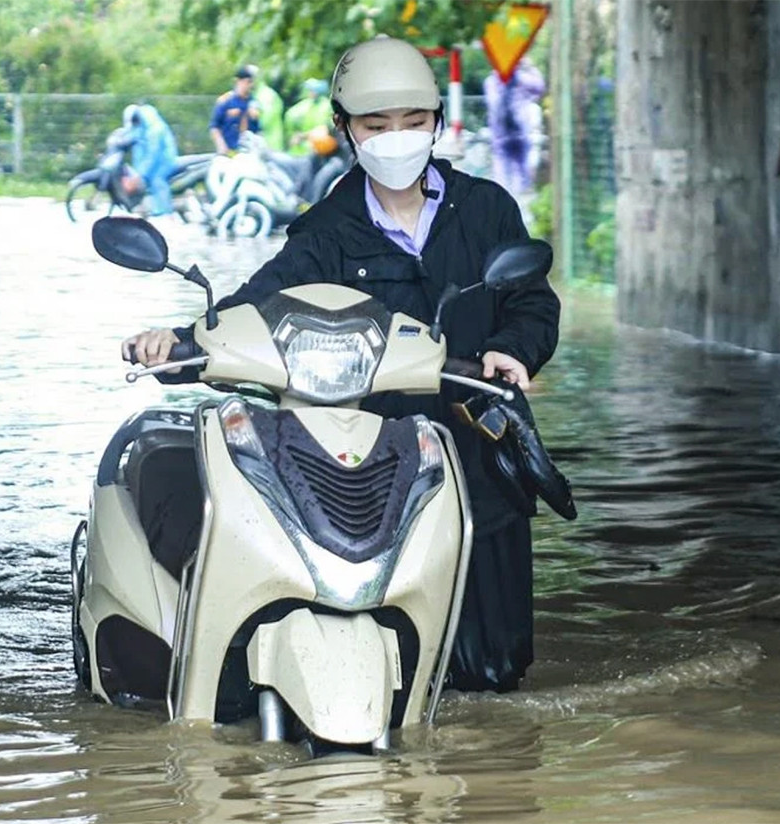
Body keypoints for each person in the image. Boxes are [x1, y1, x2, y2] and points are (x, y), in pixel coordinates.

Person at [123, 35, 561, 694]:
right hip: (372, 462)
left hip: (477, 448)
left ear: (437, 121)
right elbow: (256, 309)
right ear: (345, 129)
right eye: (376, 125)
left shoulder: (487, 209)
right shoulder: (324, 230)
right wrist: (181, 343)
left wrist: (512, 351)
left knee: (494, 676)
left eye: (414, 122)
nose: (397, 138)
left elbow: (532, 305)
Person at [484, 57, 547, 200]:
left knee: (501, 167)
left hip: (499, 132)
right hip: (519, 131)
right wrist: (529, 67)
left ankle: (502, 200)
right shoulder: (521, 79)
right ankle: (521, 200)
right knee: (521, 168)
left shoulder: (491, 81)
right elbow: (540, 86)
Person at [123, 103, 179, 218]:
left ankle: (164, 212)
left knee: (157, 180)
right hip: (151, 163)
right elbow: (137, 149)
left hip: (164, 160)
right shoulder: (139, 127)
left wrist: (141, 173)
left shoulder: (155, 129)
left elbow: (153, 153)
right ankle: (148, 208)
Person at [208, 66, 260, 155]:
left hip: (249, 153)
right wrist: (221, 145)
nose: (250, 85)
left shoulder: (254, 103)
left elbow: (258, 129)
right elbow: (214, 127)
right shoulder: (226, 101)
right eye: (247, 82)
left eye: (251, 82)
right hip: (229, 152)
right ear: (237, 81)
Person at [284, 78, 333, 156]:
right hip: (303, 148)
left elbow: (323, 128)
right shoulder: (308, 103)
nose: (310, 93)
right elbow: (289, 115)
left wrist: (302, 136)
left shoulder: (325, 106)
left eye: (312, 90)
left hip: (319, 148)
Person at [246, 64, 285, 152]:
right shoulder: (253, 95)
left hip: (270, 144)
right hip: (258, 144)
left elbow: (264, 121)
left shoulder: (266, 95)